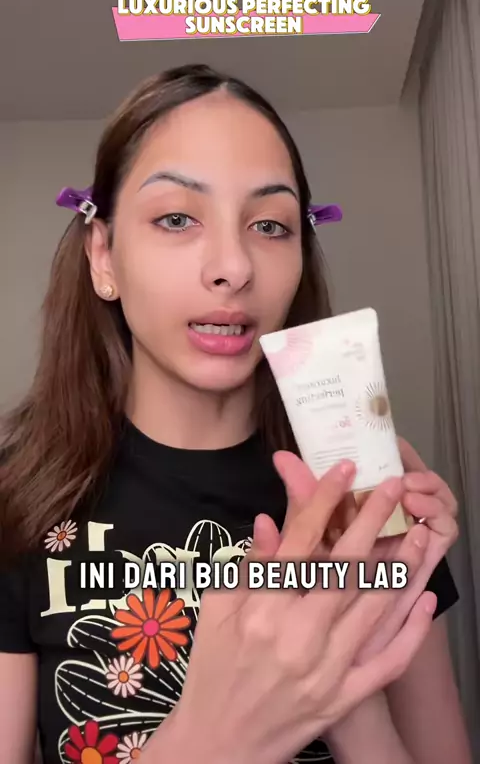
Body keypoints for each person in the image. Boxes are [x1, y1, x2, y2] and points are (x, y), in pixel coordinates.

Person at [0, 64, 470, 764]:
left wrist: (350, 687)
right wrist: (217, 739)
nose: (234, 266)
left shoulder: (366, 505)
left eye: (270, 225)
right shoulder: (17, 502)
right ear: (103, 255)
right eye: (177, 219)